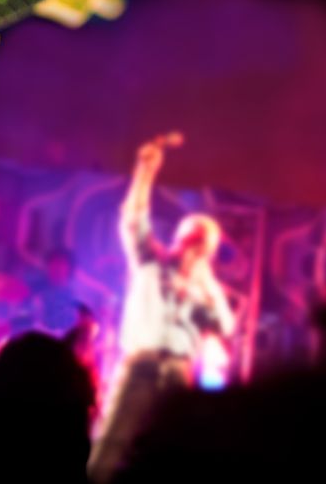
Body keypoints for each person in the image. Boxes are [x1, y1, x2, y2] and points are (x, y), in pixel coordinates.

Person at [88, 132, 237, 483]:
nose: (195, 246)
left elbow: (226, 327)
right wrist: (145, 170)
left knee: (173, 446)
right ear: (179, 237)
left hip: (178, 370)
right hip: (142, 362)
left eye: (203, 243)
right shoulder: (150, 261)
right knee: (115, 439)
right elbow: (132, 218)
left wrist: (205, 283)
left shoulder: (207, 289)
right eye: (192, 237)